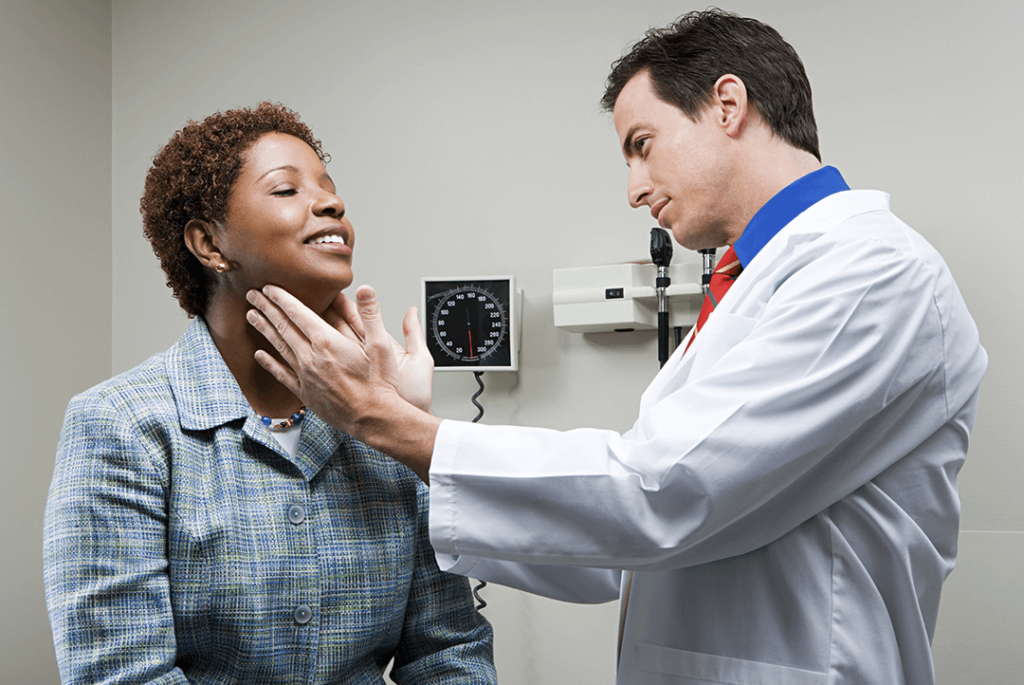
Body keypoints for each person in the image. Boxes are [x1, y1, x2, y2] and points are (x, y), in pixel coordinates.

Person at [245, 10, 987, 685]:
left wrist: (384, 422)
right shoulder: (750, 287)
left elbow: (657, 495)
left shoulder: (871, 272)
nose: (634, 189)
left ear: (728, 104)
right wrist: (410, 437)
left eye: (642, 145)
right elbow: (616, 544)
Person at [43, 103, 495, 685]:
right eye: (286, 189)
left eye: (330, 189)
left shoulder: (390, 420)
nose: (332, 203)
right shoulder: (121, 426)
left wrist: (400, 418)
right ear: (210, 244)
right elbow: (122, 673)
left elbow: (448, 653)